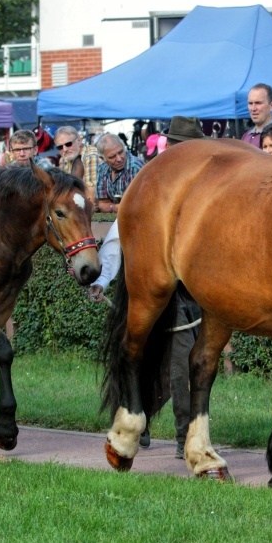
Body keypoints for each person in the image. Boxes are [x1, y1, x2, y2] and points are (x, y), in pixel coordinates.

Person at [89, 115, 204, 459]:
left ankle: (137, 417)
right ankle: (183, 436)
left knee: (178, 365)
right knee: (182, 366)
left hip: (199, 292)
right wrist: (103, 278)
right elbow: (119, 232)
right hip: (166, 292)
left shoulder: (206, 186)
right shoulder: (154, 182)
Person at [95, 133, 144, 214]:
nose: (119, 159)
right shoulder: (102, 169)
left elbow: (136, 206)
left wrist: (111, 207)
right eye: (112, 157)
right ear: (102, 158)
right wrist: (114, 207)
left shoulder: (135, 168)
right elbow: (102, 203)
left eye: (121, 152)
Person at [55, 126, 100, 204]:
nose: (65, 149)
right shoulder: (64, 159)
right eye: (60, 147)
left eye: (68, 144)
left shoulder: (90, 155)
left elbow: (91, 196)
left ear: (79, 140)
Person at [241, 83, 272, 147]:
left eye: (258, 103)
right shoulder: (246, 136)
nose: (253, 108)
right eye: (250, 103)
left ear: (271, 106)